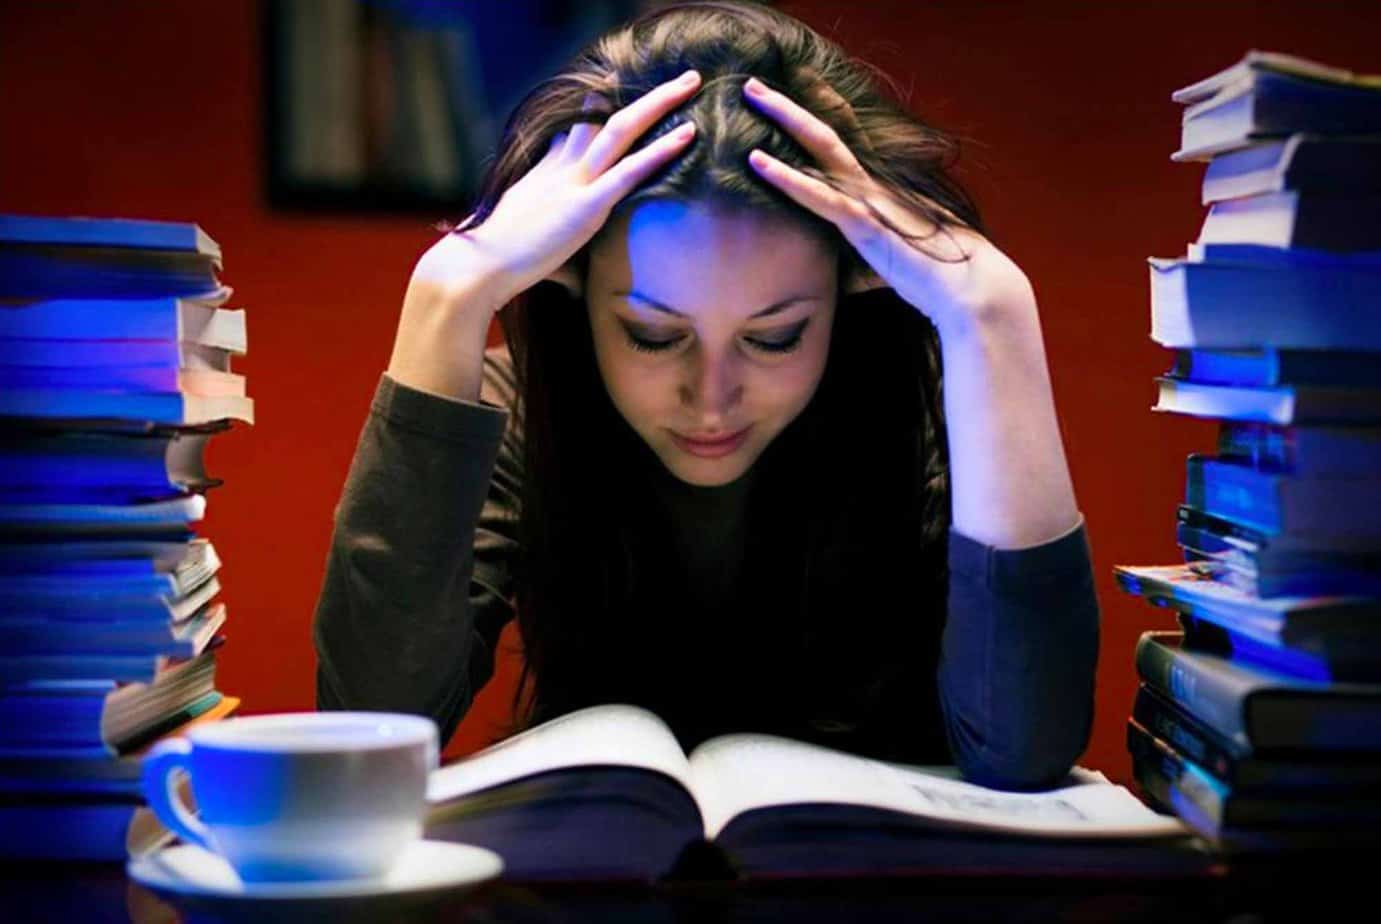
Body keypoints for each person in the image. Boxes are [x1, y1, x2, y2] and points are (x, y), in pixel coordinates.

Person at [313, 0, 1099, 791]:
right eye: (653, 337)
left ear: (853, 286)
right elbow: (370, 723)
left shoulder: (935, 411)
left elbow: (1025, 748)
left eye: (775, 336)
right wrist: (445, 293)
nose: (711, 400)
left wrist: (995, 313)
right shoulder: (521, 411)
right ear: (572, 285)